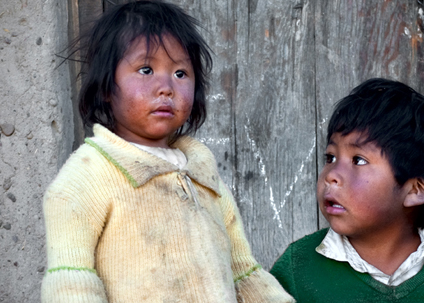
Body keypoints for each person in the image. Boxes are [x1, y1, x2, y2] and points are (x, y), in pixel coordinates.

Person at [41, 1, 293, 302]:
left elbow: (244, 273)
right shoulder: (87, 176)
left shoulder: (204, 177)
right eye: (146, 69)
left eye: (180, 73)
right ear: (107, 87)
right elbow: (72, 281)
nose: (166, 87)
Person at [270, 78, 424, 302]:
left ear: (415, 190)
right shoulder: (298, 267)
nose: (331, 175)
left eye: (359, 160)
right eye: (330, 157)